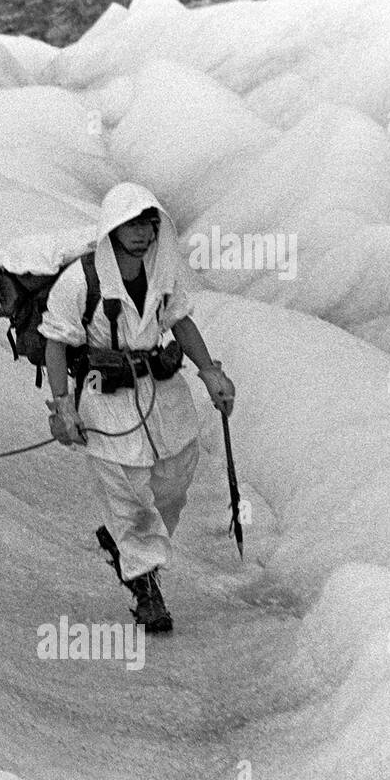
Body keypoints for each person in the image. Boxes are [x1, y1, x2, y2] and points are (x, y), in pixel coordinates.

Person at [39, 182, 236, 632]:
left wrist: (210, 373)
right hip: (106, 403)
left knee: (173, 480)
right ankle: (147, 590)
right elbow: (56, 342)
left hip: (160, 396)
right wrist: (63, 407)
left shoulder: (161, 273)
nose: (141, 233)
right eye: (130, 224)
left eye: (148, 223)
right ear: (112, 228)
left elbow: (179, 321)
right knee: (127, 494)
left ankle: (127, 544)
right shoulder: (81, 282)